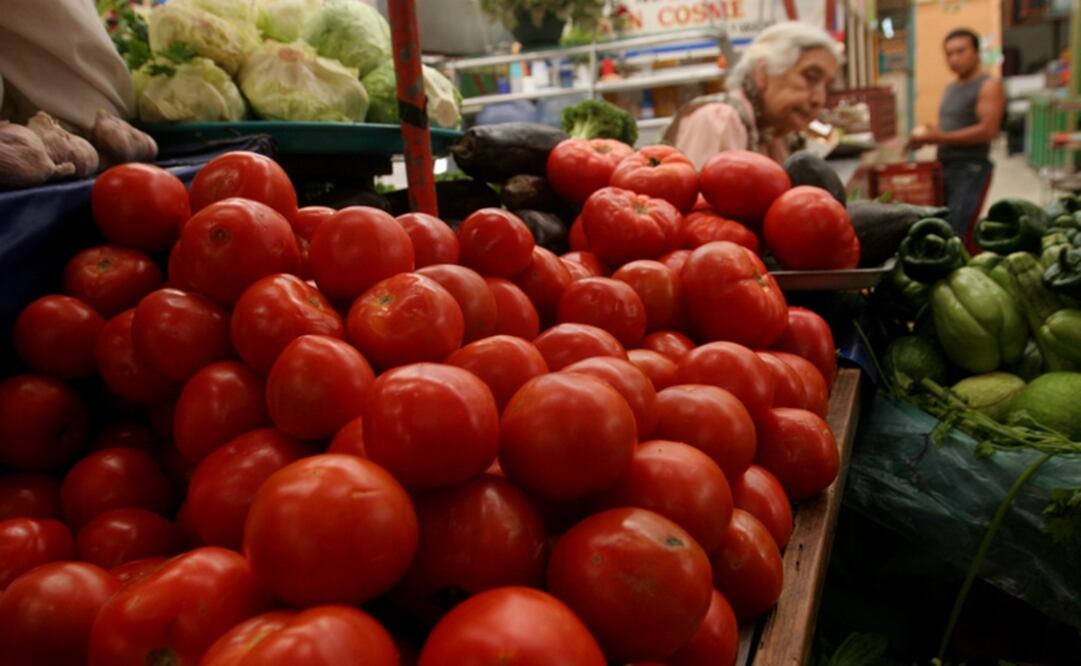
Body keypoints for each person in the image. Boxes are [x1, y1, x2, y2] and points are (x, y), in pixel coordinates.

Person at [663, 21, 843, 168]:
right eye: (810, 77)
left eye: (827, 86)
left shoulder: (776, 136)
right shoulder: (719, 122)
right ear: (763, 73)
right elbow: (702, 202)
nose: (819, 99)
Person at [907, 28, 1005, 237]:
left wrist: (938, 137)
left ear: (976, 53)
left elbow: (988, 131)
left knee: (955, 231)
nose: (954, 59)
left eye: (960, 51)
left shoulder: (988, 85)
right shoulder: (951, 87)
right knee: (941, 225)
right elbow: (951, 126)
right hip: (945, 167)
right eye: (949, 53)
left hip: (969, 169)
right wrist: (927, 136)